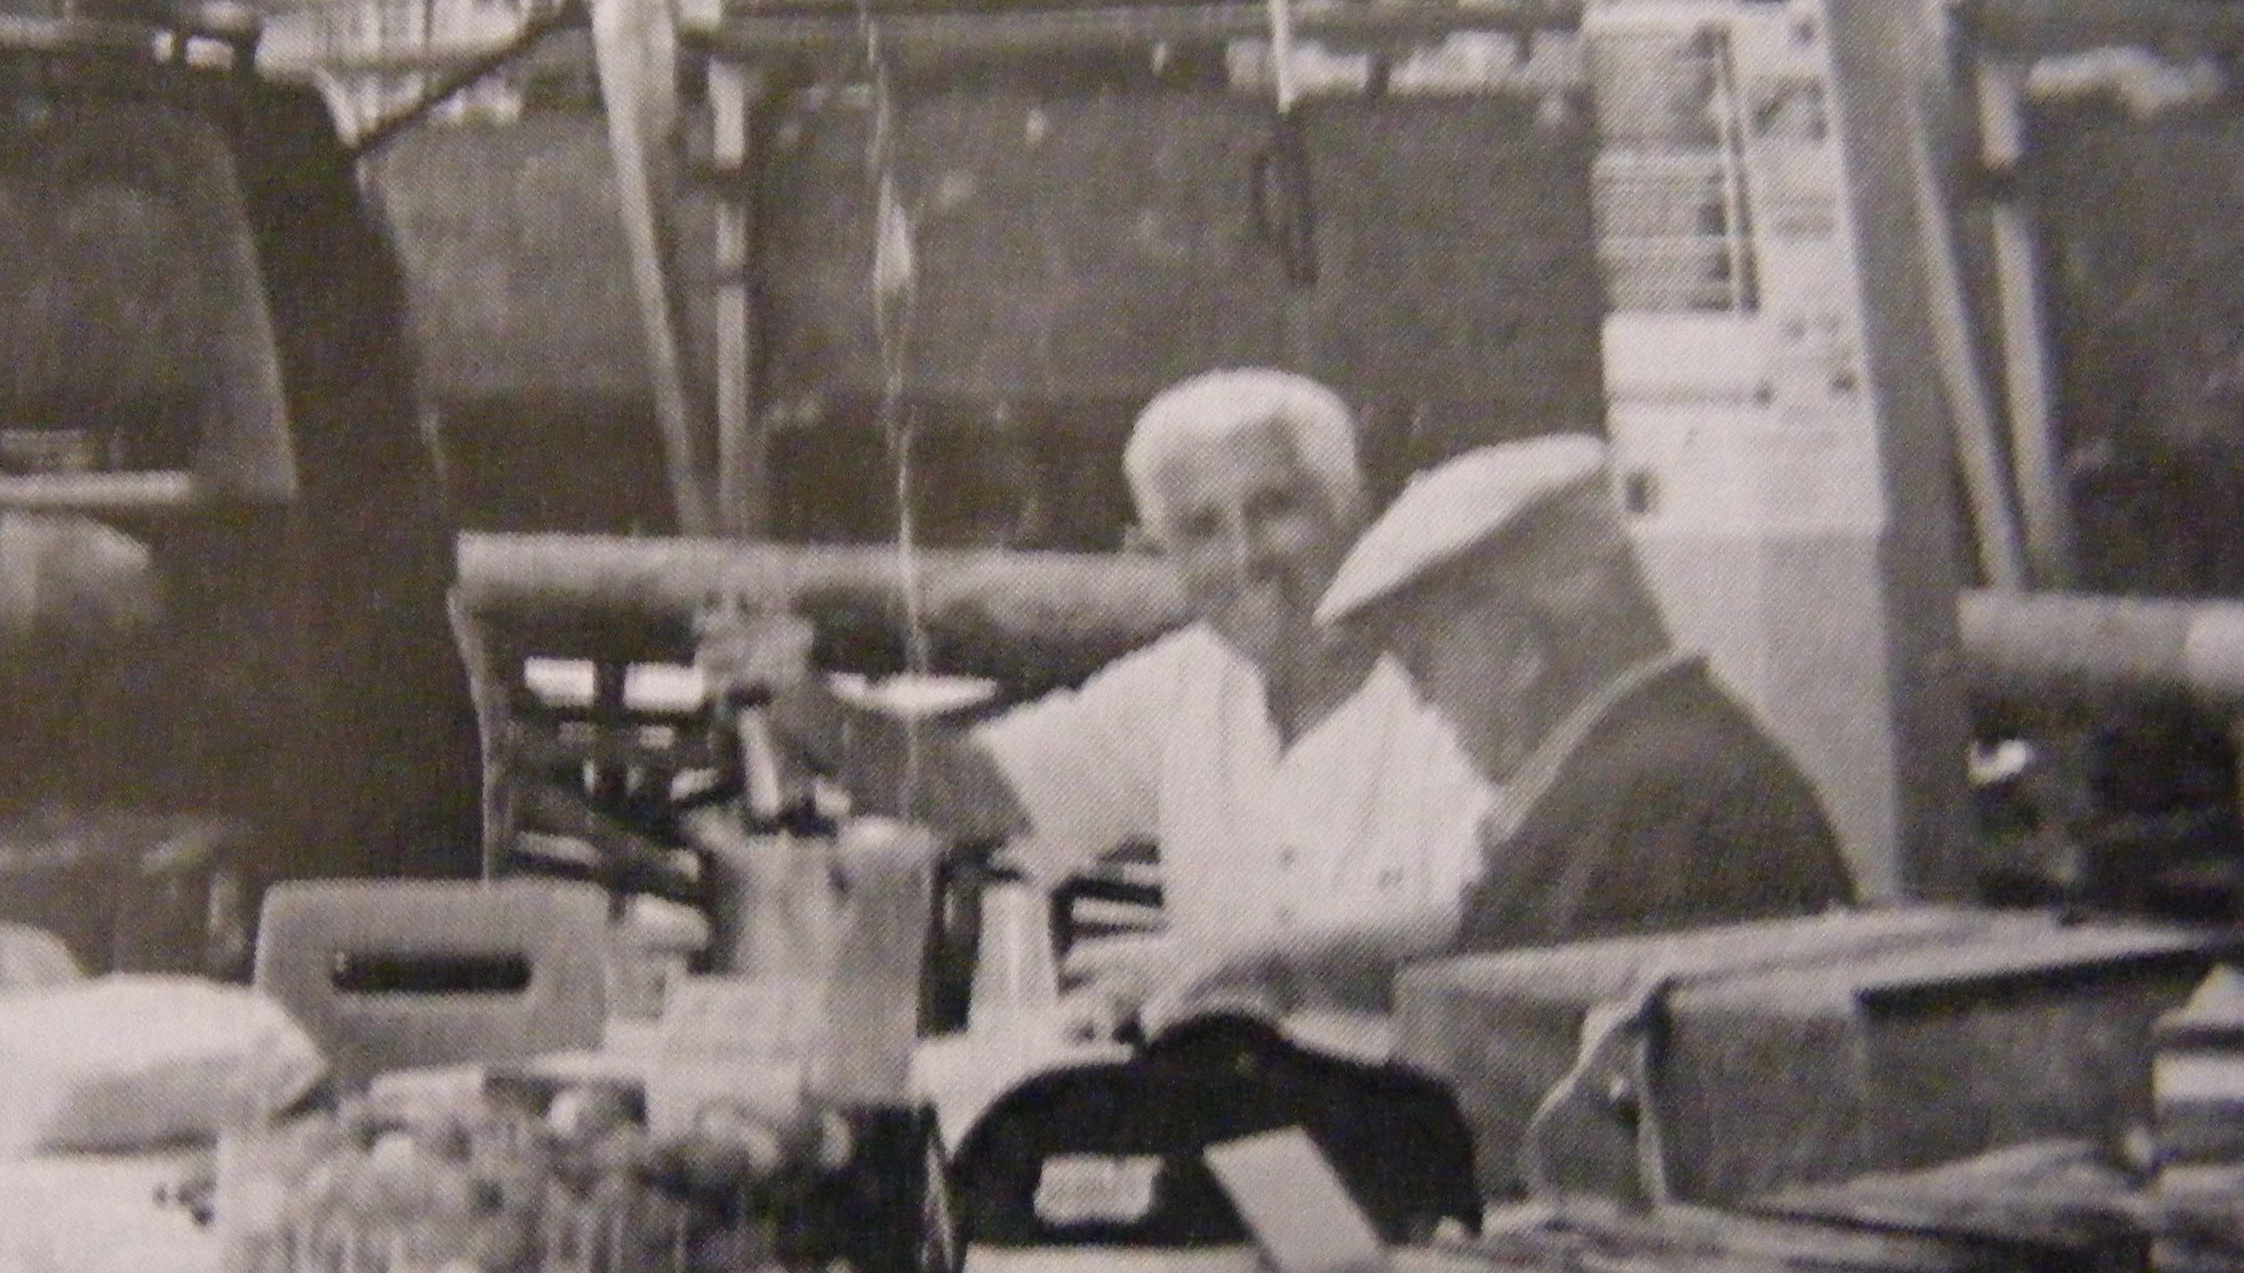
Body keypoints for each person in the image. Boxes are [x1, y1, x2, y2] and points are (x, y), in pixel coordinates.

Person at [700, 371, 1492, 1009]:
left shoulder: (1460, 684)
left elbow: (1496, 932)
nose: (1246, 557)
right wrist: (803, 698)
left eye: (1276, 509)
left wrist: (1250, 966)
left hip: (1424, 1142)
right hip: (1234, 1132)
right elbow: (972, 789)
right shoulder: (1184, 684)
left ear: (1354, 509)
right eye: (1202, 529)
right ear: (1163, 555)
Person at [1310, 432, 1854, 955]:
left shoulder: (1633, 807)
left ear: (1518, 648)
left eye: (1421, 663)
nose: (1425, 702)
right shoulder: (1687, 748)